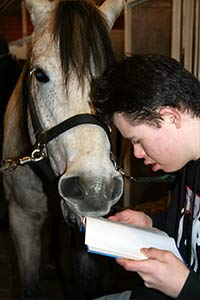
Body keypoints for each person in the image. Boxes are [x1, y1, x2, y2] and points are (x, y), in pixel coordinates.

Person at [93, 54, 200, 299]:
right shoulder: (189, 166)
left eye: (137, 141)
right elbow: (189, 230)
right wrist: (151, 225)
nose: (138, 153)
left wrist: (184, 287)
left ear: (171, 117)